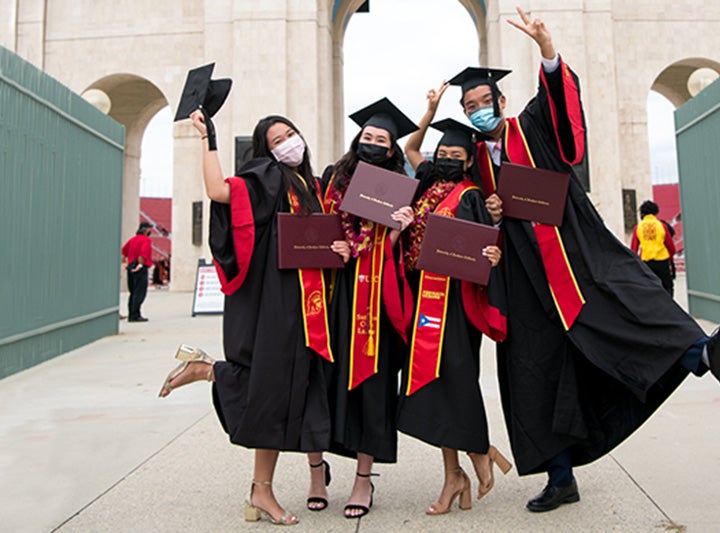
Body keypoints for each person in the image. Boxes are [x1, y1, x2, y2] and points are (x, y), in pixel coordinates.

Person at [450, 8, 720, 513]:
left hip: (572, 248)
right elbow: (471, 210)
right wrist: (491, 208)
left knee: (630, 300)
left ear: (501, 101)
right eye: (470, 105)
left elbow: (563, 115)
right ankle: (560, 477)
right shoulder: (478, 159)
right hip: (523, 278)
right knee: (535, 373)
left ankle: (703, 354)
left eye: (485, 101)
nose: (479, 109)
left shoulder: (529, 127)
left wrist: (547, 51)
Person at [158, 108, 351, 525]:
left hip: (305, 305)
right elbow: (217, 190)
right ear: (266, 149)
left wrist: (339, 251)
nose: (288, 143)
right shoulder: (269, 175)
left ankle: (209, 374)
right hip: (275, 300)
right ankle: (212, 375)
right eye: (277, 140)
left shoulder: (310, 186)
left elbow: (318, 240)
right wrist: (208, 138)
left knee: (281, 392)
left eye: (291, 134)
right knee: (270, 390)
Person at [398, 85, 511, 516]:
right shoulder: (426, 186)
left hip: (456, 306)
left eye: (454, 153)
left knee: (457, 384)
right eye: (441, 151)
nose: (445, 156)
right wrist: (428, 111)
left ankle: (477, 456)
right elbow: (411, 148)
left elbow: (486, 249)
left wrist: (493, 253)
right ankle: (457, 472)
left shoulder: (471, 196)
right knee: (431, 387)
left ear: (468, 161)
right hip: (421, 300)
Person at [319, 98, 416, 519]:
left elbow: (403, 254)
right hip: (337, 292)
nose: (373, 143)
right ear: (358, 140)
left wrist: (397, 232)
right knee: (325, 381)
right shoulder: (333, 180)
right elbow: (318, 228)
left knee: (372, 386)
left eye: (382, 140)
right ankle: (316, 468)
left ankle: (363, 480)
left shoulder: (399, 189)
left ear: (392, 149)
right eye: (368, 137)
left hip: (376, 295)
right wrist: (334, 246)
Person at [631, 200, 676, 296]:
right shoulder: (662, 226)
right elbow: (671, 247)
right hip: (662, 262)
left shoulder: (638, 227)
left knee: (649, 289)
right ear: (655, 211)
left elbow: (634, 249)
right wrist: (670, 259)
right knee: (667, 287)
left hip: (646, 263)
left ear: (642, 213)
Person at [121, 221, 153, 322]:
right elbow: (142, 254)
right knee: (140, 292)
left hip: (130, 266)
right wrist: (140, 265)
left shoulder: (132, 240)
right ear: (145, 230)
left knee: (133, 292)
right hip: (139, 267)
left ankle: (132, 313)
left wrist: (124, 263)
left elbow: (123, 252)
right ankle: (135, 314)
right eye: (149, 229)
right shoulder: (146, 240)